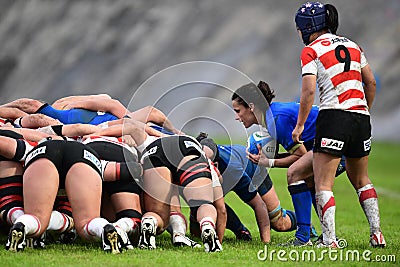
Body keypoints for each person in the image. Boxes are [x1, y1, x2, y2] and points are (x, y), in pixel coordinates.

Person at [292, 2, 385, 248]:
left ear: (307, 26)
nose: (299, 33)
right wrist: (363, 112)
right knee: (362, 179)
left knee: (323, 183)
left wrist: (300, 125)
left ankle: (330, 241)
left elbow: (309, 90)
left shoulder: (311, 50)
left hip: (334, 116)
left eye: (299, 27)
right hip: (361, 116)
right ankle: (377, 234)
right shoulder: (354, 46)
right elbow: (371, 83)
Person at [5, 138, 133, 254]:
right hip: (83, 153)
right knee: (86, 223)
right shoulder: (93, 145)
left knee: (37, 219)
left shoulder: (31, 140)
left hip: (42, 150)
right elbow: (121, 170)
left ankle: (22, 224)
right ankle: (104, 227)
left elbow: (11, 146)